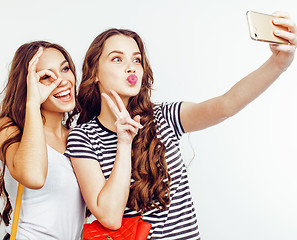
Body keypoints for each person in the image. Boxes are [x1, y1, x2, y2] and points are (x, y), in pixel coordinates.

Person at [65, 12, 297, 240]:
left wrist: (278, 64)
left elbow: (226, 105)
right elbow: (110, 217)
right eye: (117, 59)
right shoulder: (82, 138)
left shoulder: (164, 116)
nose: (131, 67)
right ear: (94, 72)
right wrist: (124, 142)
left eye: (136, 59)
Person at [0, 41, 85, 239]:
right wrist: (33, 103)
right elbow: (34, 177)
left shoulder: (79, 137)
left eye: (65, 69)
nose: (62, 81)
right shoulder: (9, 129)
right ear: (28, 85)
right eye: (47, 76)